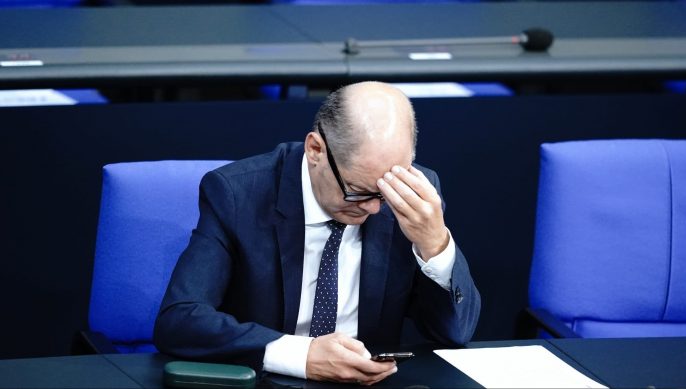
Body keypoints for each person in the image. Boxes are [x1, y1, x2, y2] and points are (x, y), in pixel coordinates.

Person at [154, 81, 480, 385]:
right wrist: (301, 355)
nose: (374, 209)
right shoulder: (239, 195)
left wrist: (434, 243)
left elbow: (454, 333)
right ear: (315, 150)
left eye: (385, 194)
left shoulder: (411, 197)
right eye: (357, 191)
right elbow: (180, 320)